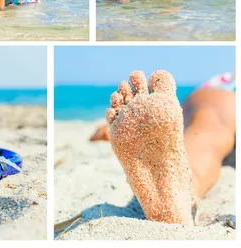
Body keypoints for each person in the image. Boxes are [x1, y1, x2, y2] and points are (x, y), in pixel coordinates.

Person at [97, 69, 235, 225]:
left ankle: (179, 186)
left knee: (202, 127)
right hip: (227, 94)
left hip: (210, 94)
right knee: (209, 129)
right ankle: (181, 193)